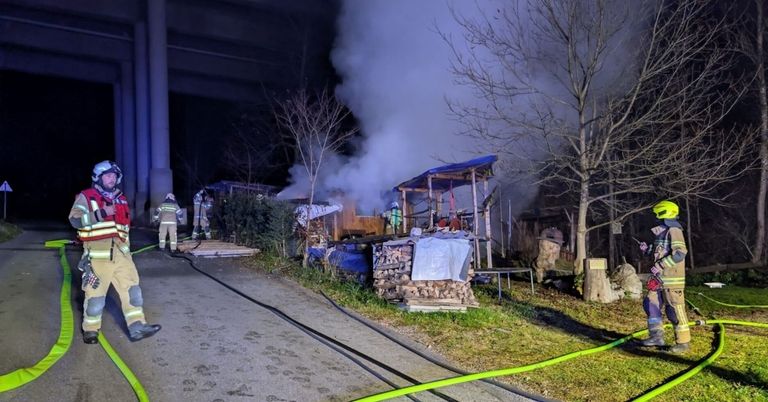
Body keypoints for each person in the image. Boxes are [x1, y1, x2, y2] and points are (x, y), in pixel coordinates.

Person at [68, 160, 161, 344]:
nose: (112, 179)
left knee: (133, 291)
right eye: (108, 175)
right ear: (98, 178)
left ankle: (137, 326)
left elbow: (124, 229)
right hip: (98, 257)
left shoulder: (121, 199)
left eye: (114, 176)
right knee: (95, 297)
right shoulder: (86, 197)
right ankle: (91, 330)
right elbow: (75, 220)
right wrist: (102, 213)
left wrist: (127, 252)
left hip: (122, 255)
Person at [637, 200, 689, 353]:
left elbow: (680, 253)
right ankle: (656, 337)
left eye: (657, 214)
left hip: (672, 281)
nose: (655, 217)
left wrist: (661, 265)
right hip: (658, 280)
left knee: (674, 310)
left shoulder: (674, 230)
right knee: (650, 305)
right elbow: (659, 252)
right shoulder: (661, 232)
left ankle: (683, 342)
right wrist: (647, 250)